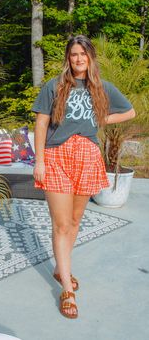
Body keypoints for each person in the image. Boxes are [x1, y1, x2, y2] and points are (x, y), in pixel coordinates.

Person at [32, 34, 135, 319]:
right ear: (68, 57)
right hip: (56, 157)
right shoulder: (54, 87)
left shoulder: (101, 88)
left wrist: (101, 119)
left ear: (90, 57)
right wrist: (39, 160)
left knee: (75, 221)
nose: (78, 59)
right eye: (74, 54)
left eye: (83, 54)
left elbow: (130, 111)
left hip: (87, 157)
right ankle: (67, 288)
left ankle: (59, 269)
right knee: (62, 224)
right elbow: (40, 123)